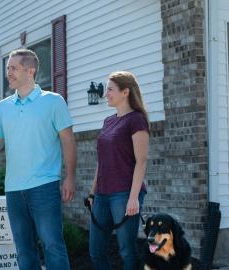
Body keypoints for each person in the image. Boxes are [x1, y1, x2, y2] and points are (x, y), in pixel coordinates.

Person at [0, 48, 76, 270]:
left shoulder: (54, 101)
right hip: (13, 189)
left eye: (13, 68)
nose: (8, 73)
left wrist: (70, 178)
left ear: (30, 71)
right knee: (23, 250)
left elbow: (68, 140)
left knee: (53, 246)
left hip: (45, 186)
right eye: (7, 68)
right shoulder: (2, 107)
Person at [87, 71, 149, 270]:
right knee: (95, 251)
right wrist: (91, 192)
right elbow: (101, 160)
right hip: (102, 195)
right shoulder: (108, 121)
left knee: (126, 251)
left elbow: (141, 161)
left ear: (125, 92)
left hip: (124, 193)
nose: (106, 94)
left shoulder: (136, 120)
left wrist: (133, 198)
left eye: (110, 89)